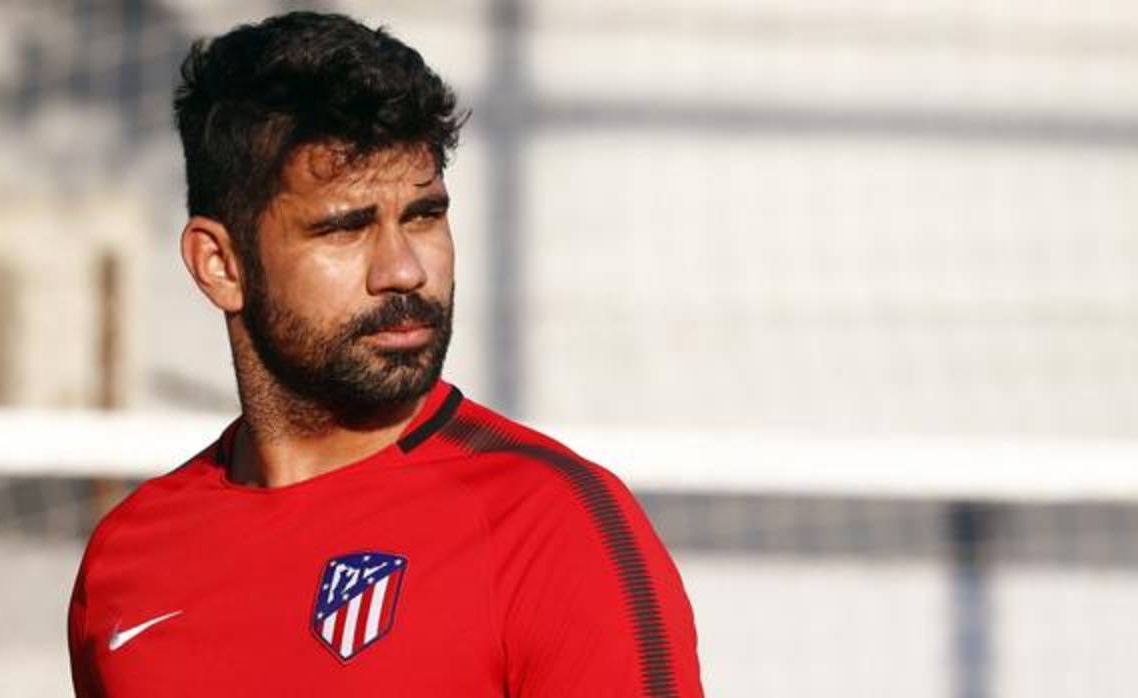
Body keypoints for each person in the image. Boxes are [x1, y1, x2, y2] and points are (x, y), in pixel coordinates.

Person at [67, 11, 703, 697]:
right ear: (220, 265)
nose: (403, 270)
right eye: (345, 228)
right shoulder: (128, 562)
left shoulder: (552, 526)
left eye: (424, 216)